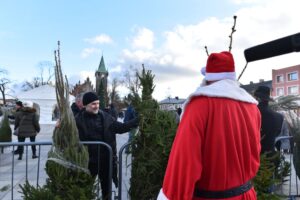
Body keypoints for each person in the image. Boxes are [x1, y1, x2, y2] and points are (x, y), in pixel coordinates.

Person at [157, 51, 261, 200]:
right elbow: (254, 153)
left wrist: (171, 195)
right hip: (247, 195)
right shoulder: (252, 108)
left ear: (208, 77)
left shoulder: (199, 106)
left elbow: (184, 162)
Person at [75, 92, 139, 200]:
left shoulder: (106, 117)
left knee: (107, 190)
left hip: (106, 161)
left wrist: (138, 120)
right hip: (87, 162)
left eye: (98, 103)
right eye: (93, 104)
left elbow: (121, 127)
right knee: (85, 188)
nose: (96, 106)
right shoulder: (78, 120)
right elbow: (68, 133)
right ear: (85, 105)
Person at [254, 86, 284, 154]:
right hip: (271, 156)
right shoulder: (279, 116)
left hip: (256, 155)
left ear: (257, 98)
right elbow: (277, 134)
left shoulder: (252, 113)